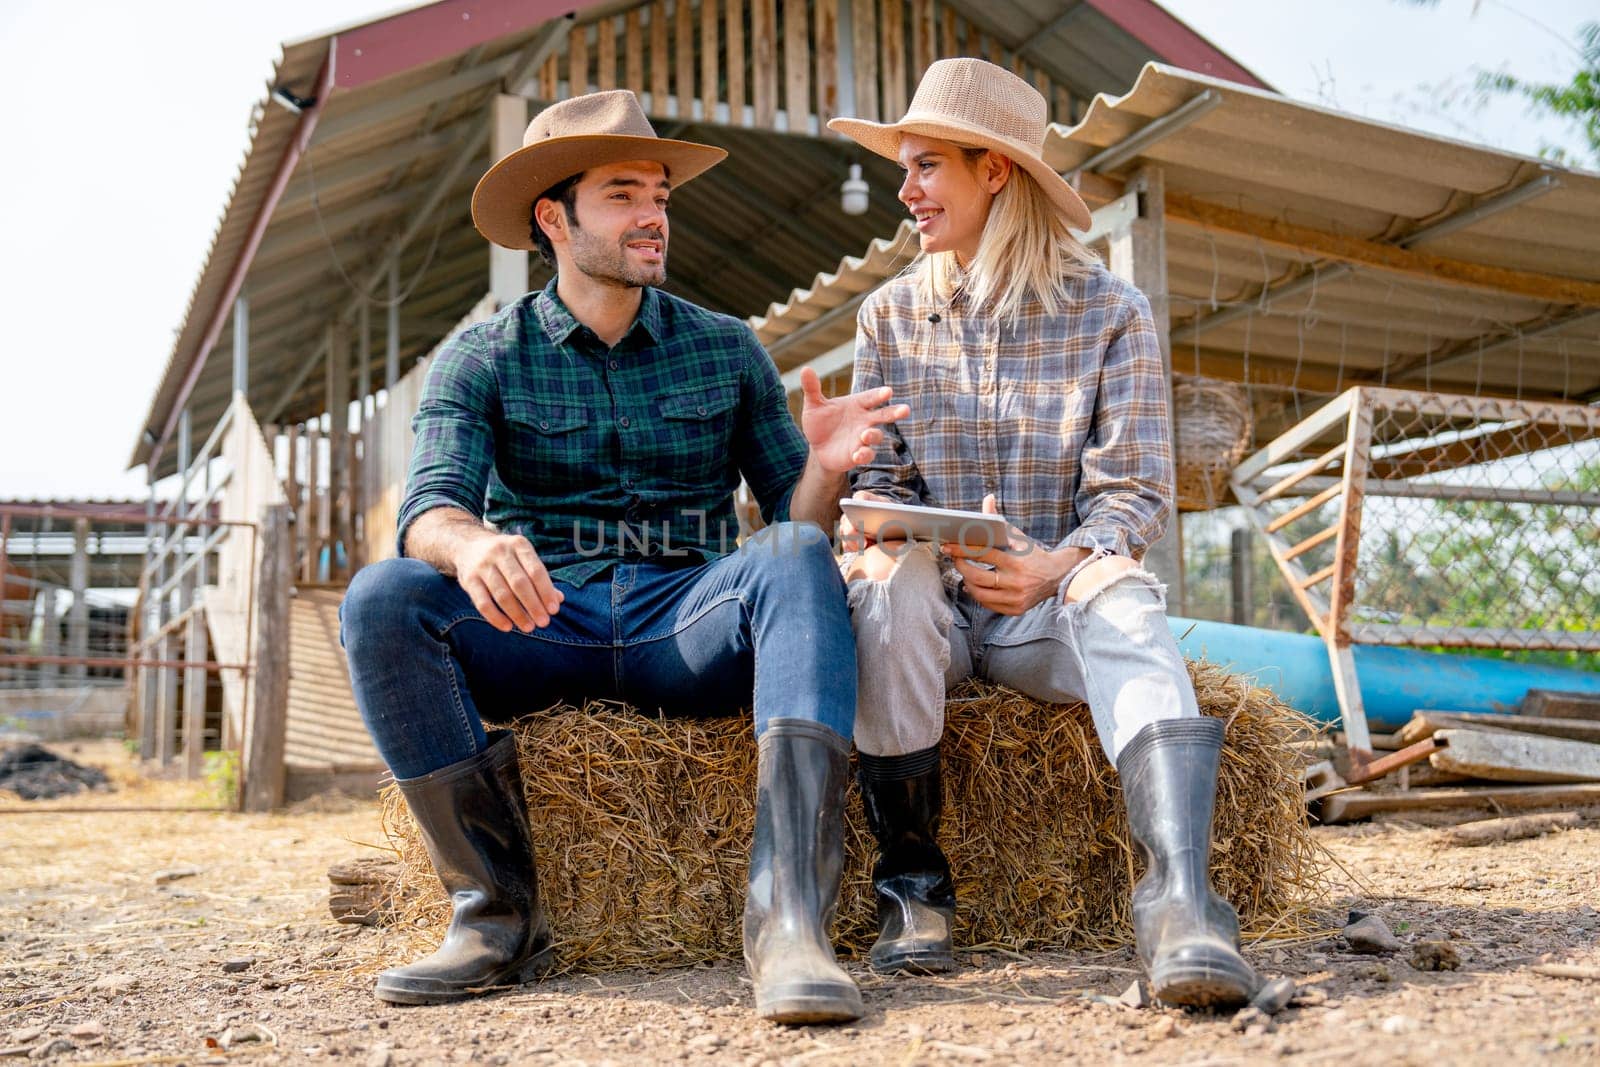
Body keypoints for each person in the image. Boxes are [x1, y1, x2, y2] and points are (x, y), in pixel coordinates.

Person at [339, 90, 907, 1024]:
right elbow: (426, 513)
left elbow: (789, 524)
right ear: (552, 219)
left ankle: (790, 920)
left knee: (800, 551)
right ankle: (493, 914)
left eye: (660, 194)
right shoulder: (479, 356)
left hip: (685, 624)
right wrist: (473, 542)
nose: (653, 214)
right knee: (384, 597)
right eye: (622, 195)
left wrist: (827, 469)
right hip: (540, 623)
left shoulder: (726, 350)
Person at [827, 59, 1259, 1007]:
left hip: (1045, 613)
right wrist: (881, 528)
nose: (905, 191)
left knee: (1127, 599)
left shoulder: (1113, 312)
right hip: (929, 620)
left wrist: (1054, 565)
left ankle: (1183, 902)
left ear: (994, 173)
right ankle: (912, 889)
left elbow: (1134, 495)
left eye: (926, 165)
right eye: (903, 167)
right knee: (886, 586)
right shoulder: (889, 314)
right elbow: (879, 480)